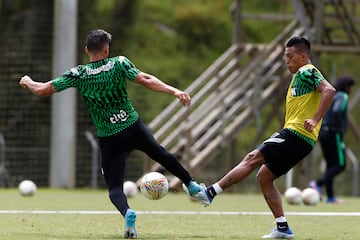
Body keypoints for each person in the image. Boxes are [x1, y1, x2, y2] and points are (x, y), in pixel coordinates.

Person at [19, 29, 207, 239]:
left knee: (114, 187)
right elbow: (145, 79)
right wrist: (174, 91)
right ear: (107, 50)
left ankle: (128, 214)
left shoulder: (79, 74)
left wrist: (27, 81)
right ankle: (191, 185)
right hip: (133, 126)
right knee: (160, 153)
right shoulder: (119, 63)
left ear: (86, 50)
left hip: (110, 137)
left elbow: (43, 89)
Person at [185, 37, 335, 239]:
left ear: (303, 57)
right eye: (285, 57)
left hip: (296, 133)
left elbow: (329, 90)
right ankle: (282, 228)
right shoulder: (300, 76)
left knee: (252, 158)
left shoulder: (307, 70)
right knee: (264, 177)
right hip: (303, 140)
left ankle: (210, 193)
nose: (286, 61)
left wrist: (316, 119)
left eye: (290, 57)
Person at [309, 75, 355, 203]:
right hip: (334, 132)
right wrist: (340, 128)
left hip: (323, 131)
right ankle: (317, 183)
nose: (351, 90)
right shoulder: (343, 96)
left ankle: (330, 196)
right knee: (340, 164)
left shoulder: (330, 95)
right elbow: (337, 110)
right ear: (347, 87)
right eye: (351, 87)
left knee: (330, 165)